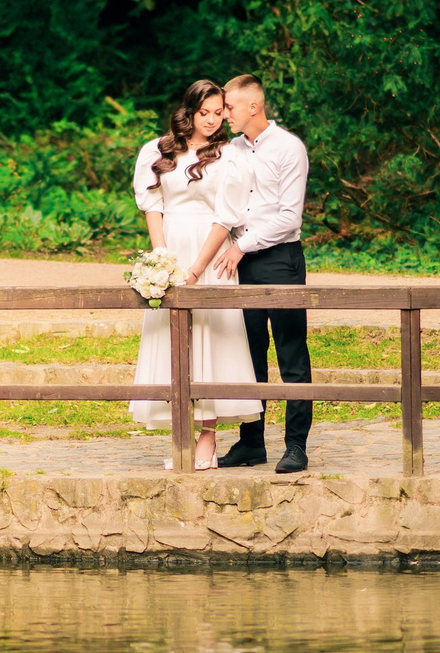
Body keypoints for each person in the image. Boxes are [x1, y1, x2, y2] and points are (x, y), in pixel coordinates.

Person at [130, 80, 263, 468]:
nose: (211, 119)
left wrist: (198, 267)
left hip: (210, 250)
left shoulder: (229, 156)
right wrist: (161, 257)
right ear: (188, 112)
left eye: (218, 111)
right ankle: (180, 429)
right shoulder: (157, 150)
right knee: (171, 338)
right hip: (171, 245)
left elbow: (227, 216)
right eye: (203, 112)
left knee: (211, 335)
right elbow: (152, 204)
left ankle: (208, 433)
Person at [208, 74, 312, 472]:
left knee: (291, 353)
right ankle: (251, 444)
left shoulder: (289, 148)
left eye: (229, 107)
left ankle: (296, 445)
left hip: (279, 259)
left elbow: (289, 217)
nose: (224, 115)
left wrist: (241, 246)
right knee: (248, 353)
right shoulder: (229, 150)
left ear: (253, 106)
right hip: (238, 262)